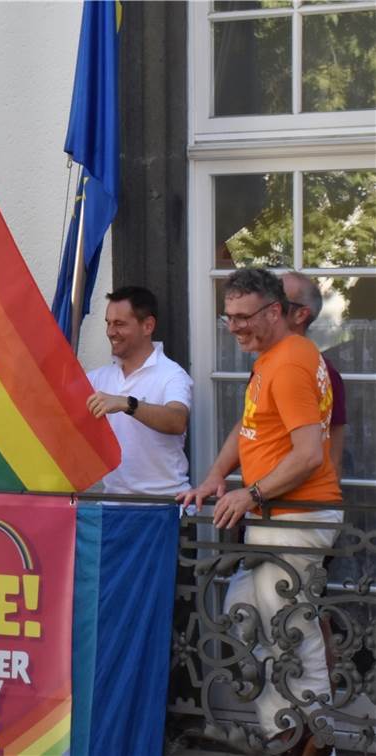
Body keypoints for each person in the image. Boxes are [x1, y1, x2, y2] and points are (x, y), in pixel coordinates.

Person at [178, 268, 341, 753]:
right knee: (243, 612)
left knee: (290, 627)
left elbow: (310, 454)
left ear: (276, 311)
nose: (234, 327)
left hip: (297, 516)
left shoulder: (289, 362)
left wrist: (251, 495)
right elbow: (247, 427)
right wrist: (215, 476)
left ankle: (312, 736)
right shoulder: (273, 357)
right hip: (277, 517)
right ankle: (285, 727)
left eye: (244, 317)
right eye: (228, 317)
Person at [85, 286, 192, 498]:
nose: (110, 332)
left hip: (163, 504)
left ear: (148, 326)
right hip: (113, 504)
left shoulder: (172, 374)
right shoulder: (97, 378)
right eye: (108, 323)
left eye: (119, 324)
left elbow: (177, 421)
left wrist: (127, 404)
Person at [282, 270, 347, 478]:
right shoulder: (267, 362)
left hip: (299, 502)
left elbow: (334, 442)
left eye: (279, 301)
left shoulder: (324, 371)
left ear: (301, 314)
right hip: (267, 500)